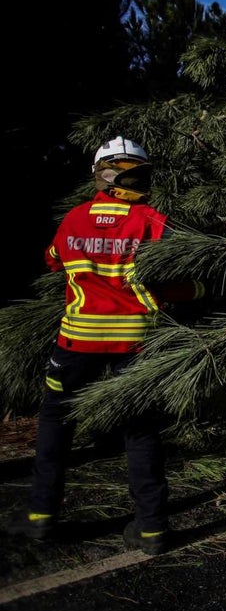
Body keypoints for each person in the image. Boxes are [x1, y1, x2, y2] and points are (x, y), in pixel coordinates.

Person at [6, 137, 204, 554]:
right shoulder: (154, 221)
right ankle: (152, 529)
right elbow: (177, 281)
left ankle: (41, 517)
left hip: (76, 342)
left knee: (55, 423)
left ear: (99, 174)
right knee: (141, 430)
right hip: (135, 344)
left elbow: (53, 260)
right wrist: (201, 288)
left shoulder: (74, 219)